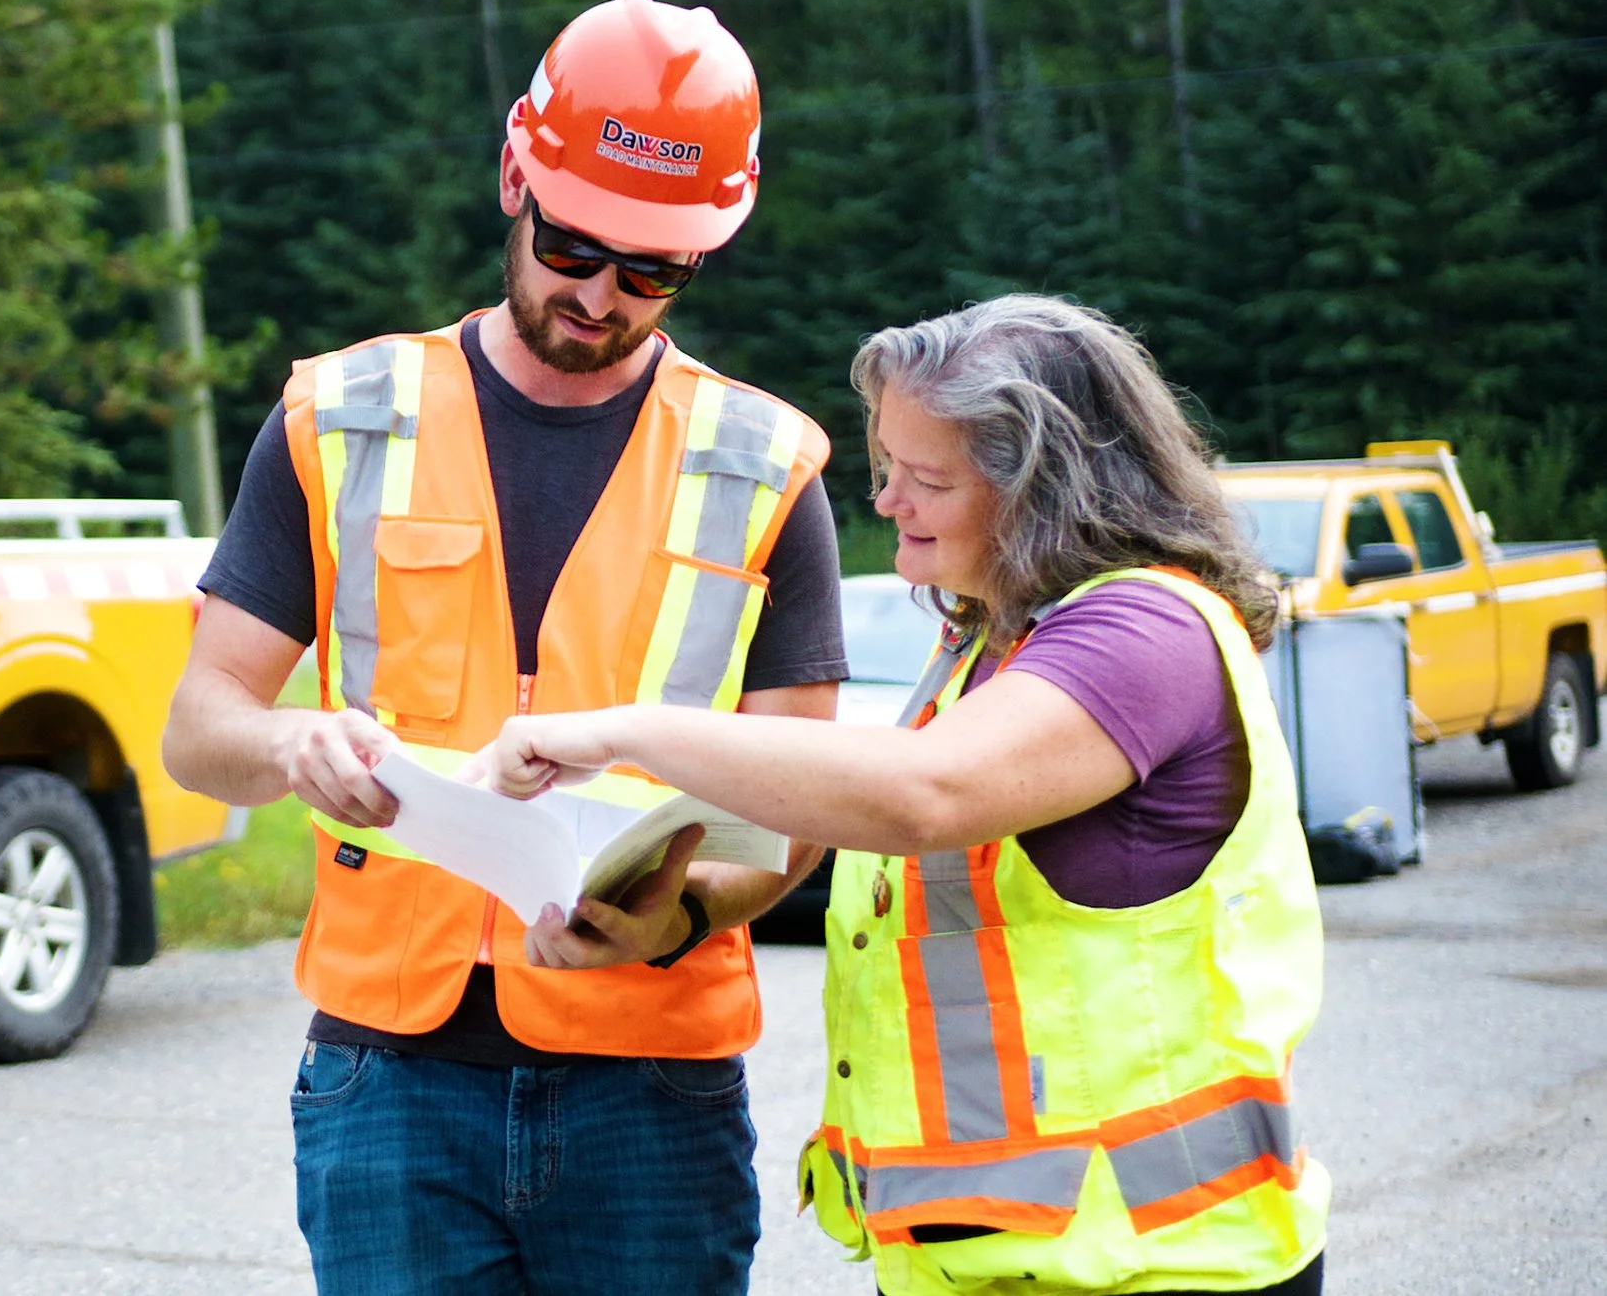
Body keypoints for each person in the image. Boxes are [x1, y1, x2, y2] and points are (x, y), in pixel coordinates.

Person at [160, 0, 846, 1294]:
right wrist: (292, 743)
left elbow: (793, 816)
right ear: (515, 179)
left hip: (651, 1082)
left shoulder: (768, 468)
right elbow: (201, 728)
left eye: (652, 271)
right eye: (577, 247)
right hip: (391, 1079)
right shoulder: (341, 416)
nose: (600, 296)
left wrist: (668, 922)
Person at [474, 294, 1331, 1296]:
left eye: (926, 477)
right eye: (886, 468)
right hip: (997, 1258)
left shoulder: (1143, 632)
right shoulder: (987, 646)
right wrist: (679, 910)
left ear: (1046, 489)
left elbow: (924, 794)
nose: (887, 503)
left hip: (1152, 1263)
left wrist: (621, 730)